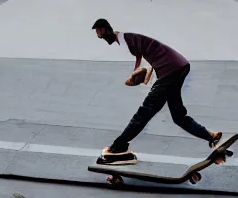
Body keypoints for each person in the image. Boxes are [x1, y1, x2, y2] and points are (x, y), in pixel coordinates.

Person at [92, 18, 222, 164]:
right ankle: (211, 136)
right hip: (178, 67)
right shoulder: (128, 38)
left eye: (100, 34)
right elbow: (145, 57)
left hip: (170, 70)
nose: (101, 38)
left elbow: (144, 62)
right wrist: (139, 74)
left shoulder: (124, 39)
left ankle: (117, 148)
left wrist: (137, 76)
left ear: (106, 30)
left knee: (144, 113)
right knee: (178, 115)